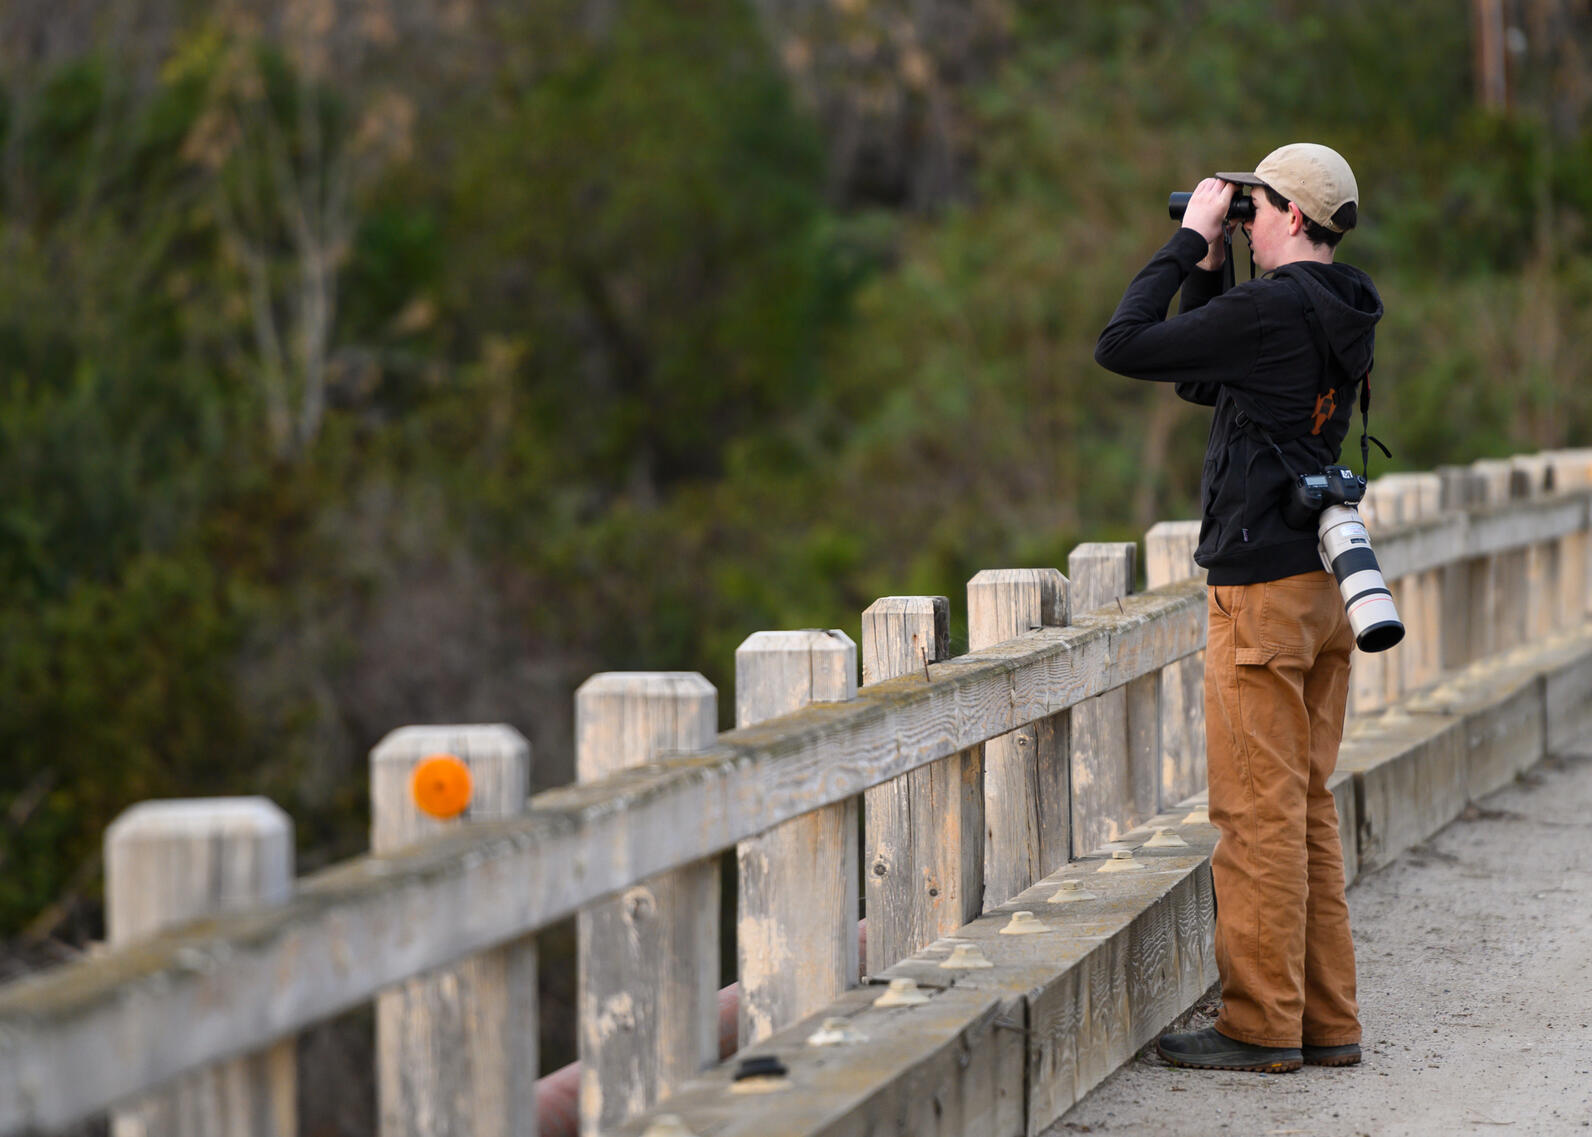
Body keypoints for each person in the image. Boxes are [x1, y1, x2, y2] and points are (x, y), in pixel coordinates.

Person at [1094, 143, 1383, 1073]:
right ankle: (1328, 1019)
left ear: (1294, 217)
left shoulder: (1270, 311)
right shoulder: (1339, 310)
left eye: (1255, 208)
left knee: (1254, 815)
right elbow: (1199, 375)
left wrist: (1183, 245)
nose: (1243, 220)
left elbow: (1123, 345)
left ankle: (1261, 1025)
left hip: (1258, 590)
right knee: (1304, 807)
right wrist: (1215, 269)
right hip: (1322, 588)